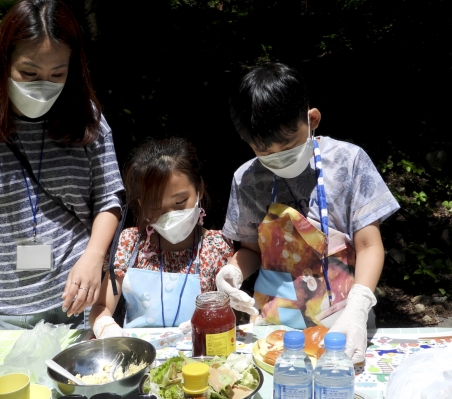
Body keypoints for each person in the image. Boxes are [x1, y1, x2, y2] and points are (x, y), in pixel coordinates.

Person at [0, 0, 123, 337]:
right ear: (2, 62)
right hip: (3, 310)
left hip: (81, 303)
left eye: (57, 74)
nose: (43, 85)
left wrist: (94, 256)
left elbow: (109, 199)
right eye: (29, 73)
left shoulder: (87, 120)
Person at [223, 63, 400, 363]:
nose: (278, 158)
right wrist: (233, 271)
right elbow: (252, 250)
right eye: (264, 152)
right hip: (275, 328)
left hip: (345, 322)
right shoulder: (247, 179)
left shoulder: (348, 162)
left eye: (289, 145)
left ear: (312, 119)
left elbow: (369, 245)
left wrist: (358, 309)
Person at [89, 138, 258, 338]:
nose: (169, 214)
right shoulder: (130, 244)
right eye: (155, 207)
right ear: (141, 204)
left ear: (199, 190)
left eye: (180, 202)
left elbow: (250, 260)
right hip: (140, 357)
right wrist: (106, 328)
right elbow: (101, 306)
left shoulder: (217, 246)